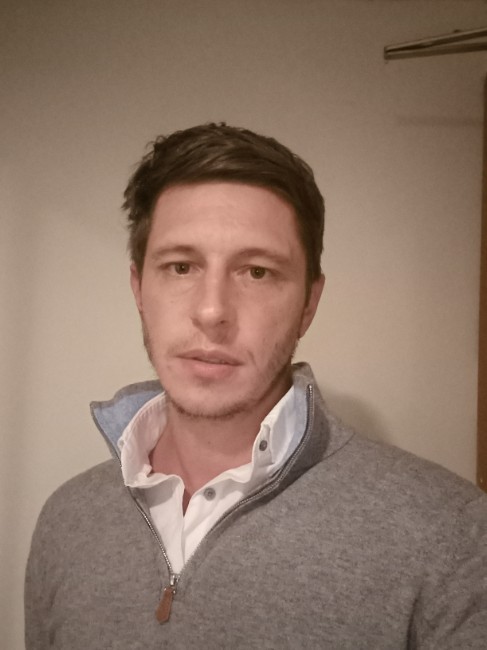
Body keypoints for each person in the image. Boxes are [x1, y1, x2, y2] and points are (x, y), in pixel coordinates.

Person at [25, 123, 487, 649]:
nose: (212, 311)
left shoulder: (452, 534)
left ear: (309, 303)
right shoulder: (66, 519)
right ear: (139, 288)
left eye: (258, 272)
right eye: (181, 267)